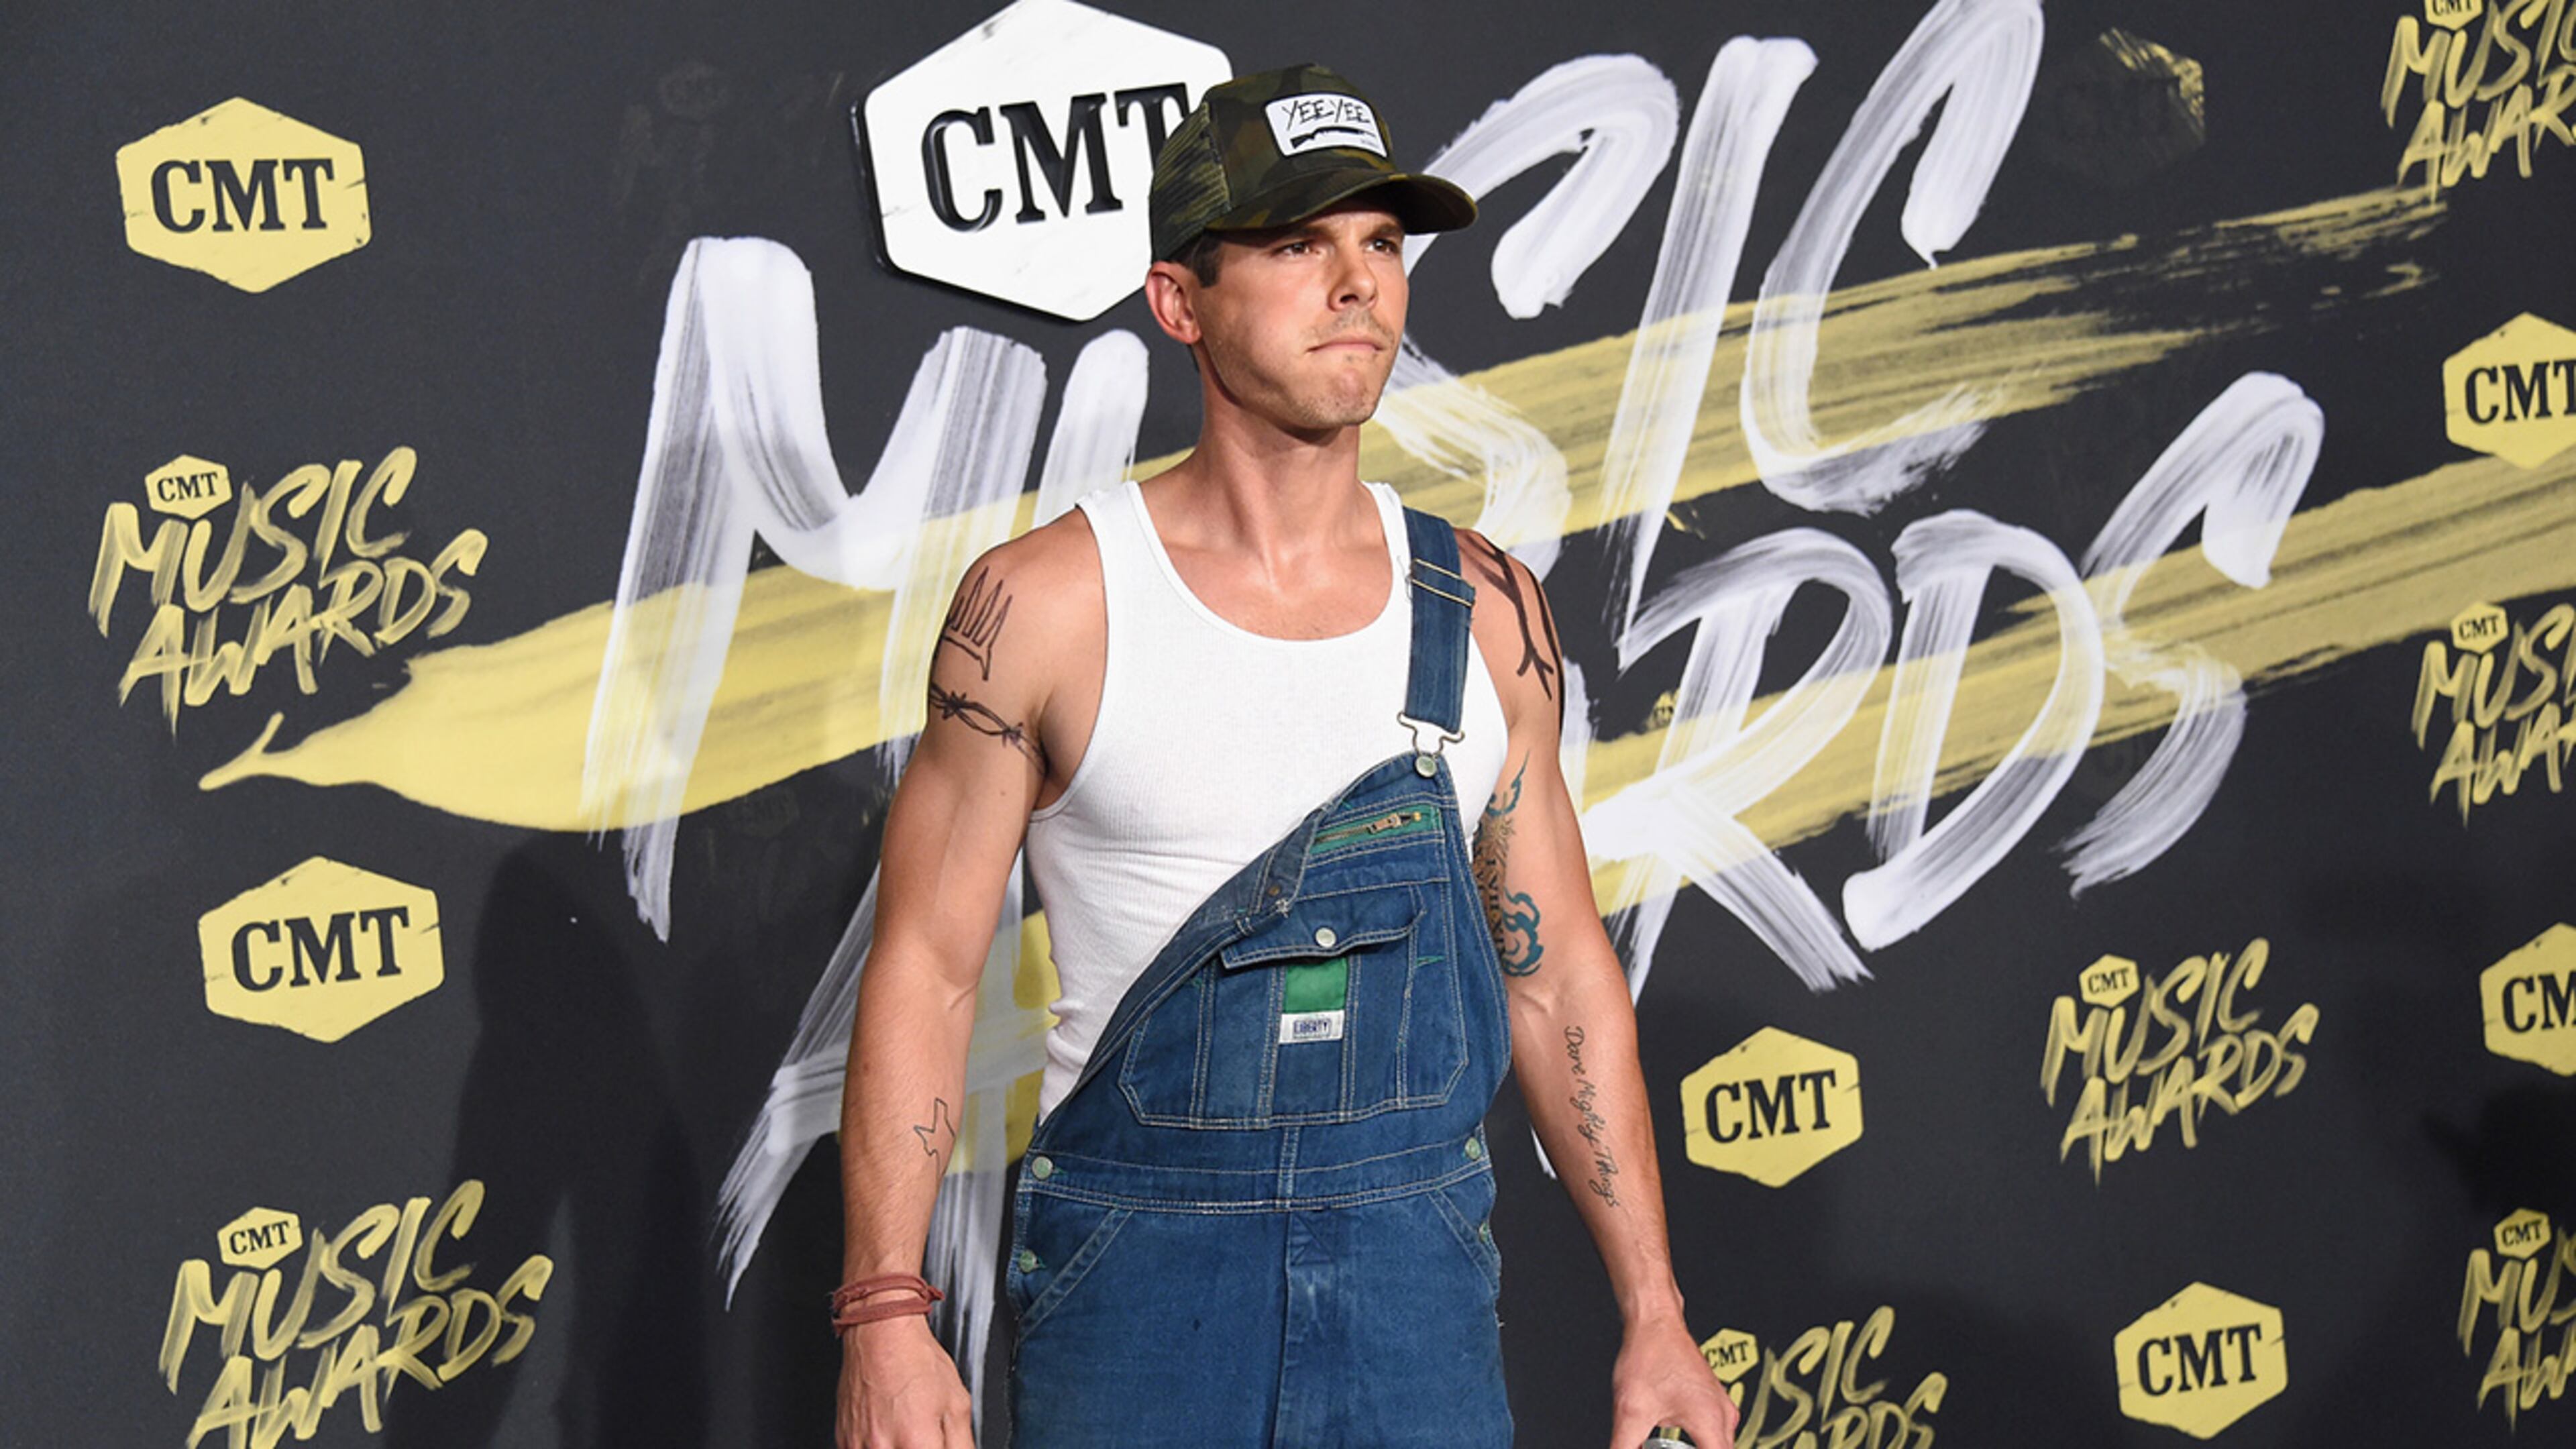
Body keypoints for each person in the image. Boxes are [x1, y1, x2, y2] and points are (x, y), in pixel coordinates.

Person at [833, 63, 1739, 1449]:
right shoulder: (1050, 606)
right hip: (1139, 1295)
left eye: (1380, 242)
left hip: (1417, 1295)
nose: (1357, 282)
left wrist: (1656, 1313)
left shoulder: (1488, 609)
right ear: (1180, 304)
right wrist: (887, 1312)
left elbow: (1556, 980)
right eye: (1297, 244)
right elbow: (930, 966)